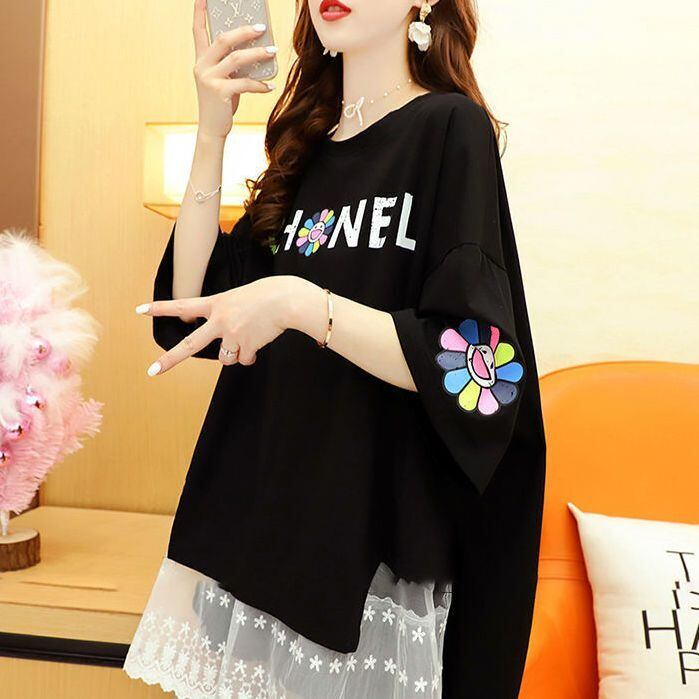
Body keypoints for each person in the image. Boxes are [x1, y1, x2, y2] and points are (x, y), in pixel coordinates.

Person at [122, 0, 547, 697]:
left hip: (368, 559)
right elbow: (186, 310)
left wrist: (299, 304)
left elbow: (478, 369)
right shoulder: (305, 146)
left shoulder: (449, 128)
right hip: (267, 537)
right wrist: (212, 130)